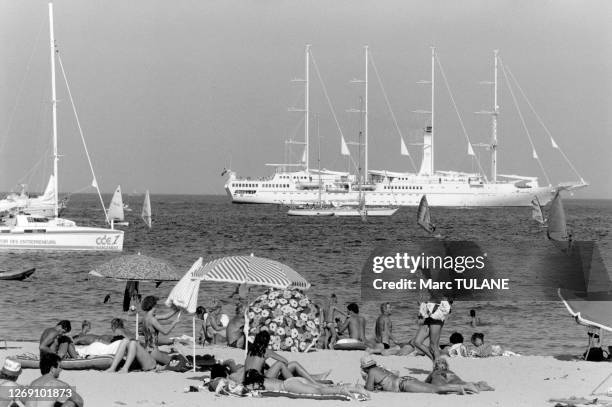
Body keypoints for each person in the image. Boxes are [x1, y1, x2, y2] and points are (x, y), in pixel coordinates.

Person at [237, 331, 328, 384]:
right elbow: (284, 361)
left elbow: (253, 366)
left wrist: (266, 365)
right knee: (287, 364)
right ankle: (307, 382)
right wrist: (280, 370)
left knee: (288, 366)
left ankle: (313, 379)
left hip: (249, 379)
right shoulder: (266, 351)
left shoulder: (250, 350)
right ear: (266, 341)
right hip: (260, 380)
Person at [359, 356, 478, 394]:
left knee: (435, 389)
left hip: (404, 385)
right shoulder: (379, 369)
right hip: (406, 380)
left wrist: (365, 381)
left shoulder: (372, 372)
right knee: (434, 389)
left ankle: (466, 386)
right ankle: (464, 387)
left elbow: (369, 388)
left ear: (365, 368)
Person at [242, 369, 368, 400]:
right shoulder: (264, 378)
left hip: (288, 386)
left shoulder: (254, 384)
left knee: (319, 392)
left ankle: (342, 390)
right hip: (294, 380)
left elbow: (247, 391)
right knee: (320, 387)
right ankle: (354, 388)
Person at [142, 295, 180, 365]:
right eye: (156, 304)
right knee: (176, 361)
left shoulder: (145, 317)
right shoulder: (152, 319)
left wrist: (176, 310)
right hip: (154, 352)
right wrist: (174, 323)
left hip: (146, 350)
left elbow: (165, 317)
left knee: (168, 356)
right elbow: (165, 332)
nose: (157, 306)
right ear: (153, 305)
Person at [425, 358, 494, 391]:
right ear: (446, 366)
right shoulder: (449, 371)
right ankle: (479, 385)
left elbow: (426, 382)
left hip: (444, 377)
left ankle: (476, 386)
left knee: (447, 385)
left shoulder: (435, 372)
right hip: (452, 376)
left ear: (435, 366)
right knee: (462, 383)